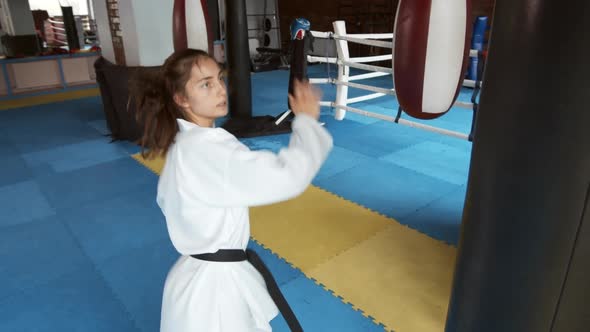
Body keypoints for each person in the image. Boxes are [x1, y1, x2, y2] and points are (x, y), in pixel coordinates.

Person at [130, 48, 333, 331]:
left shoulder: (187, 146)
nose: (220, 90)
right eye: (205, 84)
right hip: (215, 295)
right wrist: (307, 123)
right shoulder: (206, 150)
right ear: (181, 99)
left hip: (194, 281)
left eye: (219, 79)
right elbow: (288, 176)